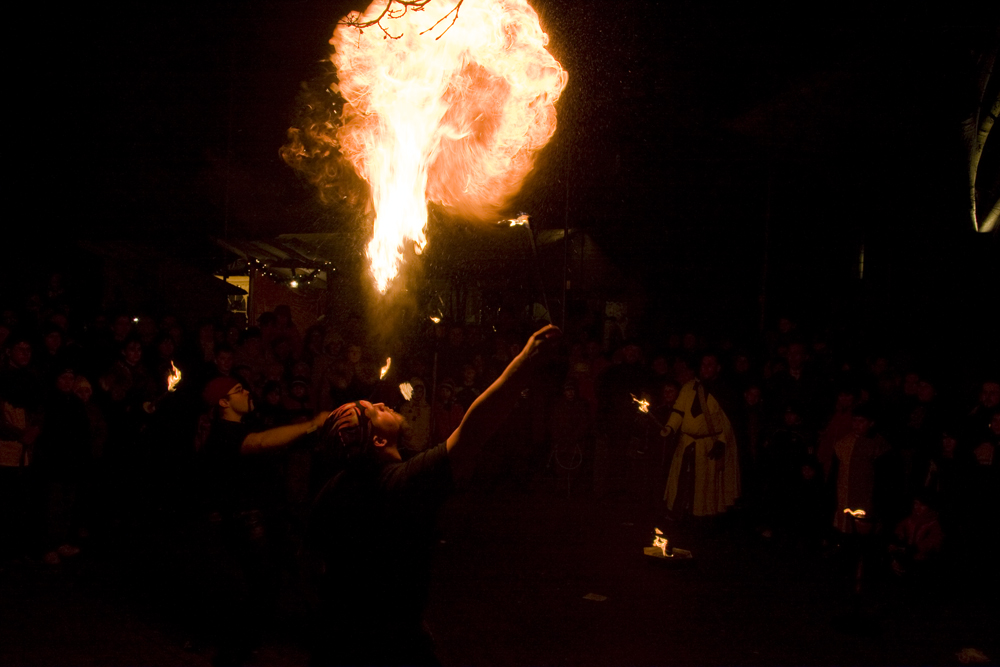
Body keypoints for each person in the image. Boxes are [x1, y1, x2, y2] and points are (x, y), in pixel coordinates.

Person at [309, 324, 561, 666]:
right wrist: (525, 360)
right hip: (390, 646)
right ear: (378, 442)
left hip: (341, 640)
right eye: (373, 410)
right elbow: (473, 432)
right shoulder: (400, 484)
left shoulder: (332, 491)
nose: (383, 402)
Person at [198, 375, 332, 666]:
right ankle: (236, 649)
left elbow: (272, 441)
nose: (247, 391)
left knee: (299, 571)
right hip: (247, 520)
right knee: (264, 584)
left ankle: (321, 635)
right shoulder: (223, 433)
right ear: (224, 402)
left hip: (271, 513)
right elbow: (259, 443)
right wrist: (311, 424)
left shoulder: (246, 424)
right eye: (238, 390)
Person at [660, 354, 741, 518]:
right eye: (703, 365)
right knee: (683, 482)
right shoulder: (688, 387)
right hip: (686, 444)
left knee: (705, 487)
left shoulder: (724, 392)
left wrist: (721, 443)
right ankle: (682, 514)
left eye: (710, 365)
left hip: (708, 447)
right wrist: (670, 427)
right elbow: (678, 411)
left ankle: (704, 519)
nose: (705, 368)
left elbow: (729, 424)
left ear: (718, 368)